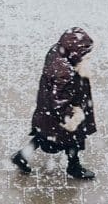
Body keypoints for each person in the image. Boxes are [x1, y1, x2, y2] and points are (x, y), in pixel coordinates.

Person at [11, 27, 97, 179]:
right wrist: (73, 116)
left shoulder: (57, 51)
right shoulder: (65, 71)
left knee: (42, 135)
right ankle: (74, 166)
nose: (86, 56)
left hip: (46, 111)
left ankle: (22, 156)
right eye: (84, 54)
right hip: (60, 114)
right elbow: (60, 101)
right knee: (73, 139)